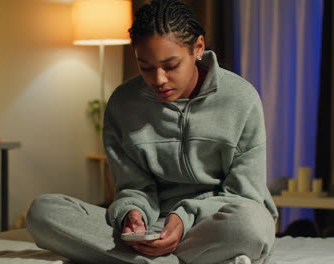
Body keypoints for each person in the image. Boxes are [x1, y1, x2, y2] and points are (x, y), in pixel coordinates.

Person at [26, 0, 278, 263]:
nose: (158, 79)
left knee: (250, 226)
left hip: (212, 224)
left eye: (171, 66)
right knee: (43, 212)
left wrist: (183, 218)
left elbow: (243, 194)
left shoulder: (241, 99)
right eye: (145, 67)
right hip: (152, 225)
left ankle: (144, 260)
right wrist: (132, 214)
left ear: (198, 48)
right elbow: (133, 187)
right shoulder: (124, 104)